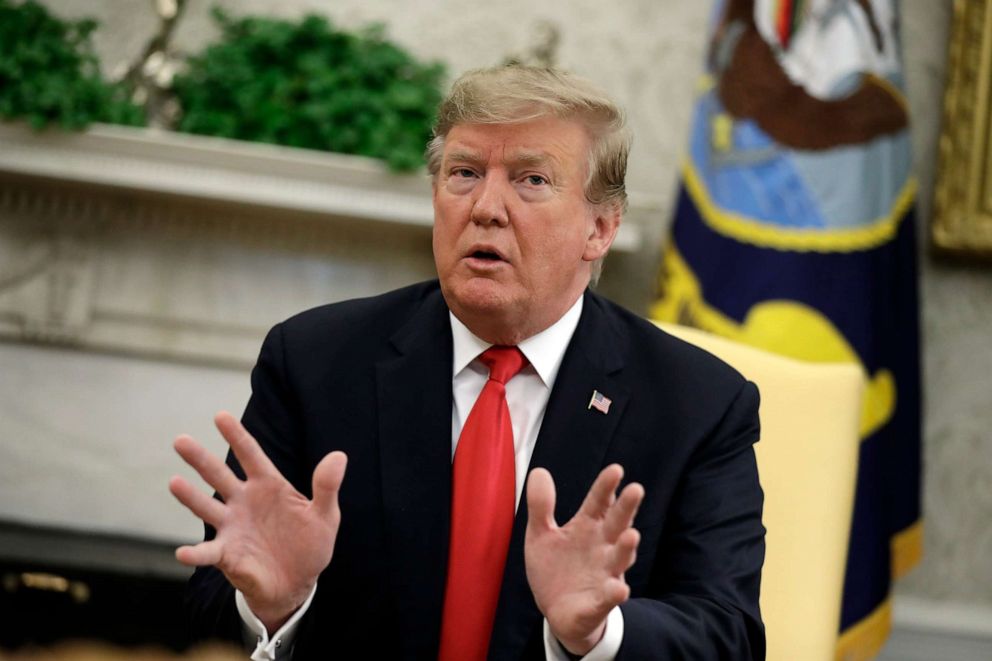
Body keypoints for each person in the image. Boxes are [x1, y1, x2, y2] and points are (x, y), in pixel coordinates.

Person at [169, 65, 765, 660]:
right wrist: (274, 606)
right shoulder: (314, 362)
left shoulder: (699, 403)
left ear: (601, 229)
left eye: (531, 180)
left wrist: (598, 634)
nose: (486, 208)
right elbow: (211, 607)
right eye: (464, 174)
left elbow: (728, 634)